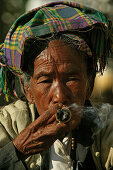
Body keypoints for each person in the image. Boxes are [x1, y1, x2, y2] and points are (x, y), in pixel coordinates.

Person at [0, 1, 113, 170]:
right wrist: (19, 149)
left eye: (71, 79)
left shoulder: (108, 125)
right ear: (27, 90)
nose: (60, 95)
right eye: (45, 81)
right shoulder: (7, 124)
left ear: (89, 84)